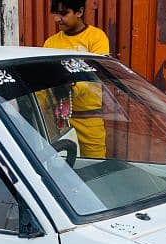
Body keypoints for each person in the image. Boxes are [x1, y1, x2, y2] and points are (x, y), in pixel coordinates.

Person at [44, 0, 109, 158]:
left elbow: (96, 75)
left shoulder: (96, 38)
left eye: (63, 13)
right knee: (62, 170)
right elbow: (44, 86)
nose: (57, 19)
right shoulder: (50, 43)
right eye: (55, 14)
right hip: (58, 123)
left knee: (95, 166)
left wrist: (70, 85)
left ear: (79, 12)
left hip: (90, 119)